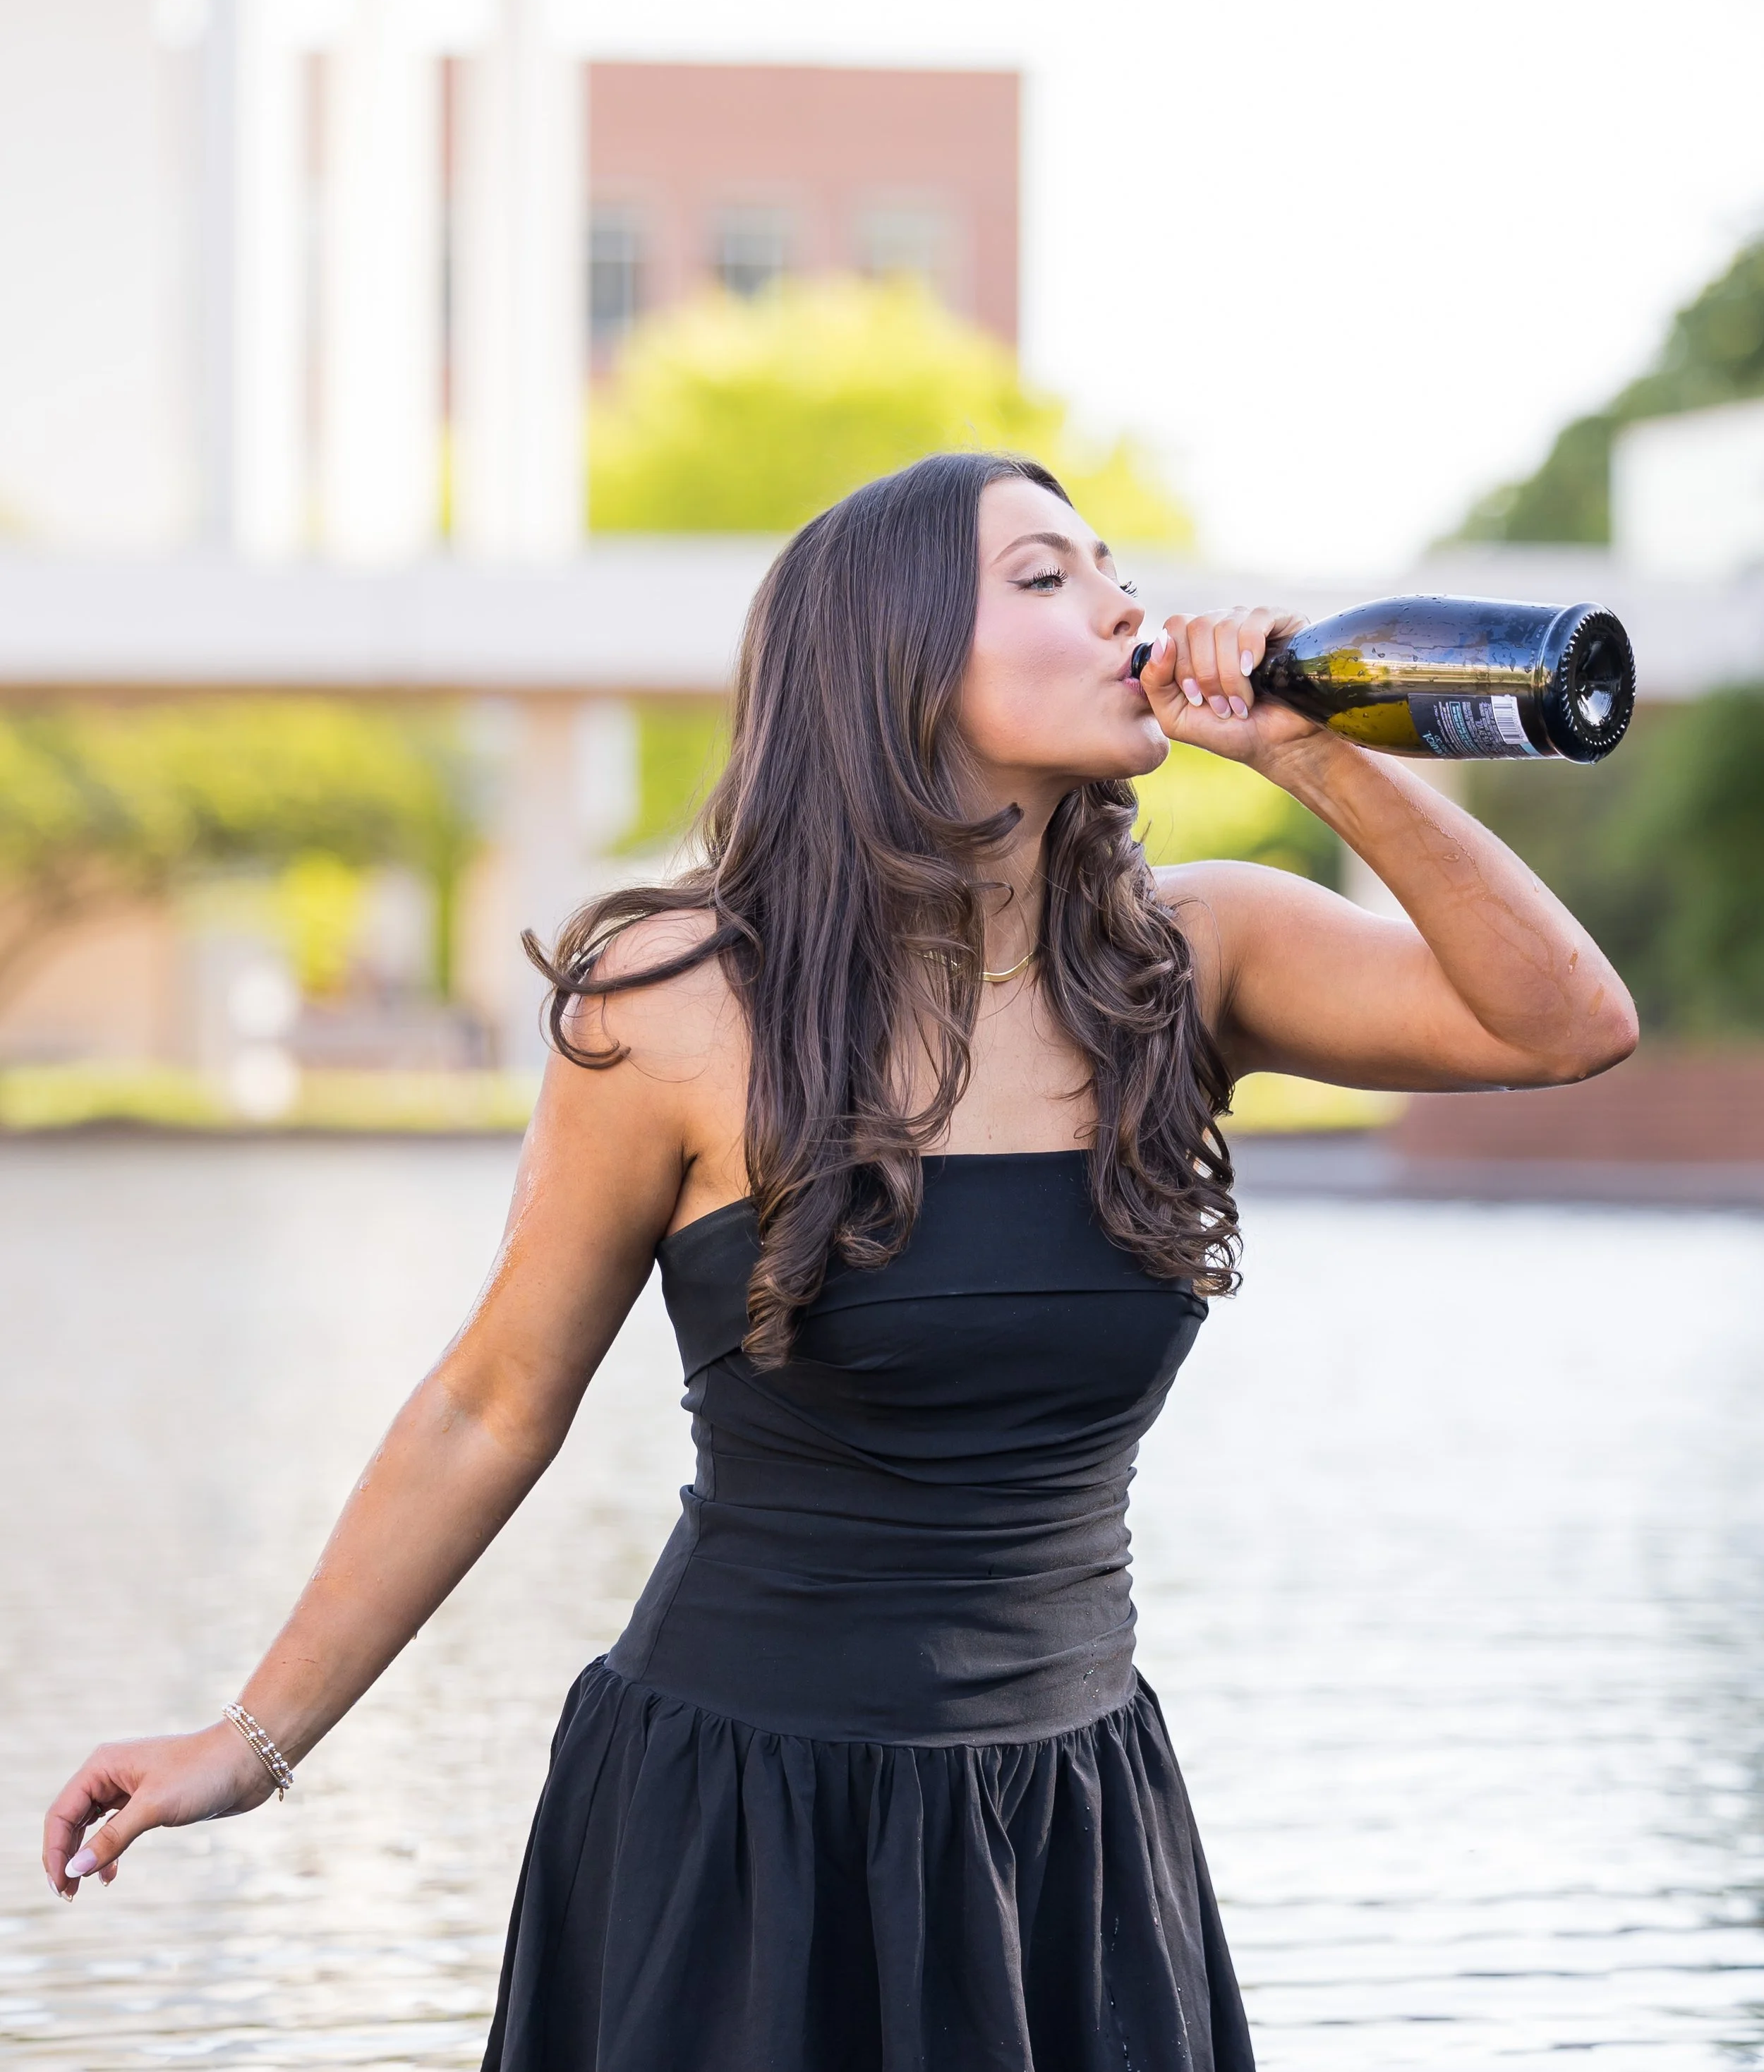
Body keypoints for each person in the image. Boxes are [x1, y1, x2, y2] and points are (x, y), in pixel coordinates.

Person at [44, 452, 1638, 2071]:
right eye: (1041, 576)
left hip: (1067, 1825)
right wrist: (251, 1741)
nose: (1120, 607)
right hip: (738, 1823)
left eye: (1110, 571)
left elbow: (1564, 1026)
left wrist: (1321, 760)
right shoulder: (672, 1004)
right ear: (889, 659)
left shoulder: (1189, 955)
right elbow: (490, 1402)